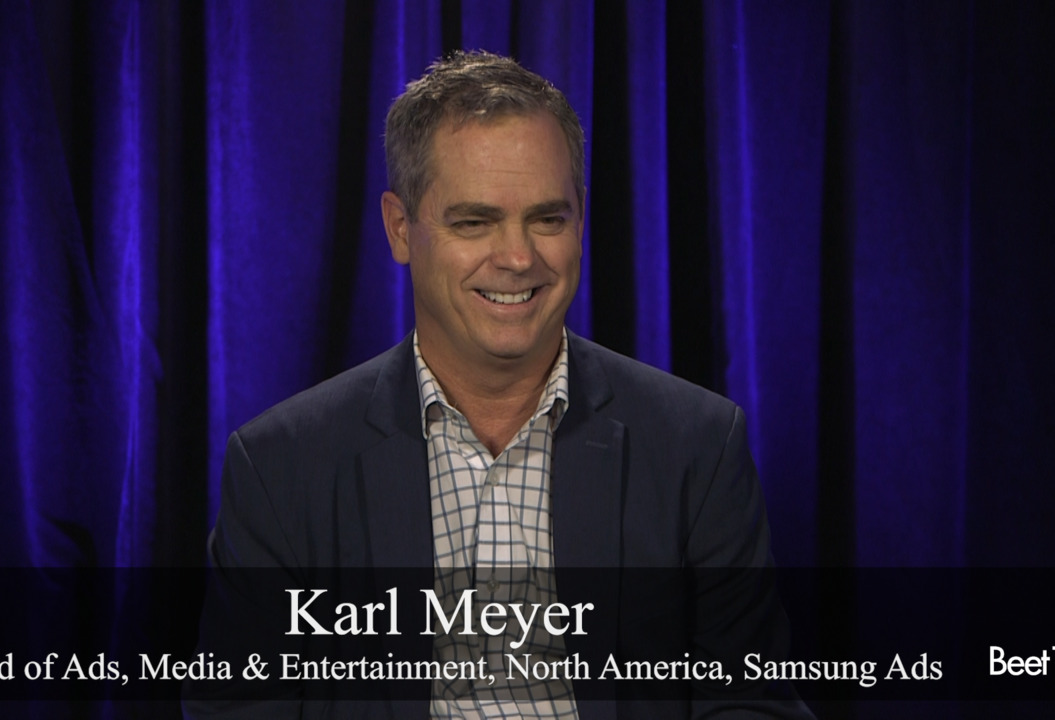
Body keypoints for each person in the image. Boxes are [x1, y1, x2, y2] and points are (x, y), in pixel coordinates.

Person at [186, 51, 810, 720]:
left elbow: (753, 703)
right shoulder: (280, 468)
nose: (517, 257)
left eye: (548, 219)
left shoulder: (698, 447)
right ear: (400, 228)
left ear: (581, 220)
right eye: (474, 222)